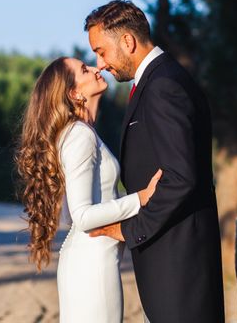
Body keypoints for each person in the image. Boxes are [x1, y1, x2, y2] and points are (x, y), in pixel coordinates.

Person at [86, 0, 225, 322]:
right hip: (171, 260)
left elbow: (181, 178)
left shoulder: (163, 86)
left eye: (101, 51)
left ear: (128, 41)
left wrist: (129, 229)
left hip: (180, 264)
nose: (100, 63)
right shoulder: (158, 81)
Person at [16, 56, 162, 322]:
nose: (97, 68)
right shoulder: (79, 135)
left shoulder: (82, 133)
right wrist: (140, 199)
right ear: (74, 92)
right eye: (85, 69)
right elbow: (82, 215)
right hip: (92, 266)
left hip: (90, 261)